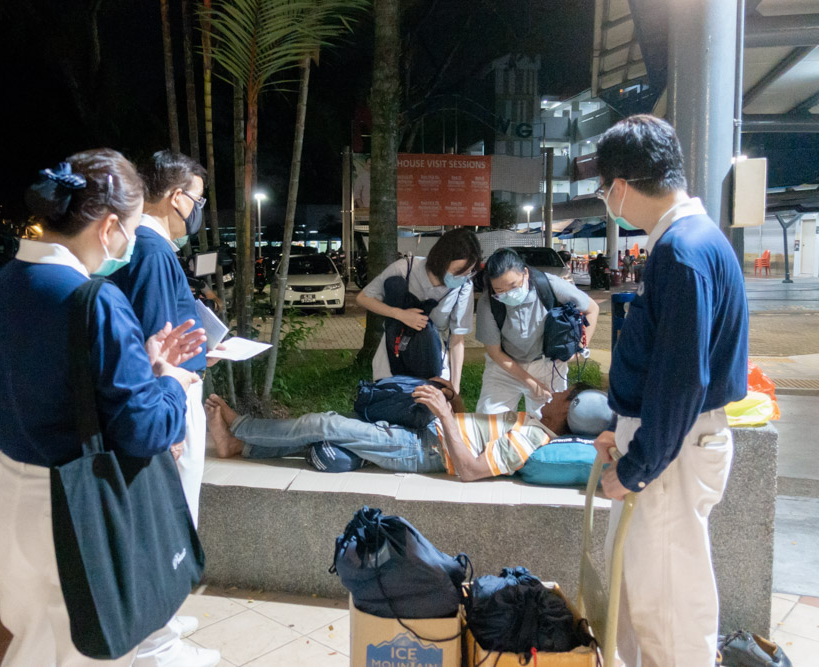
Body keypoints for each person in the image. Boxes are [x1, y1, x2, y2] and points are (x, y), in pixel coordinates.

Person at [0, 149, 209, 666]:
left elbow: (60, 385)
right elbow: (145, 428)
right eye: (129, 228)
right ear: (108, 228)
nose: (130, 242)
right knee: (80, 651)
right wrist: (169, 380)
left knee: (38, 642)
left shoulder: (4, 285)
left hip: (11, 490)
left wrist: (143, 364)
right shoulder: (93, 300)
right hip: (72, 508)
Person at [593, 114, 748, 667]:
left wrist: (638, 464)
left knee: (668, 608)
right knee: (646, 593)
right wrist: (623, 427)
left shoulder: (681, 253)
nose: (606, 200)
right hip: (672, 440)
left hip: (672, 449)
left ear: (620, 187)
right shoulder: (696, 240)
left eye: (603, 188)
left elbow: (683, 378)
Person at [107, 150, 221, 667]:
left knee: (176, 515)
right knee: (170, 519)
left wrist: (203, 346)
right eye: (197, 199)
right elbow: (155, 342)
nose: (197, 209)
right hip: (170, 401)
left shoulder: (148, 248)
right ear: (177, 197)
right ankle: (157, 644)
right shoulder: (153, 251)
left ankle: (166, 618)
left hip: (173, 394)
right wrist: (166, 420)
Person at [205, 383, 606, 482]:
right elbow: (475, 434)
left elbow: (469, 470)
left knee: (324, 423)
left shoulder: (535, 438)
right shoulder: (533, 423)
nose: (555, 391)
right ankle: (239, 445)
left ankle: (239, 427)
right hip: (425, 432)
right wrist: (453, 399)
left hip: (420, 448)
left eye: (565, 394)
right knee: (327, 437)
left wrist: (445, 414)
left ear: (570, 411)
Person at [475, 248, 599, 416]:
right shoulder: (488, 302)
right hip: (505, 367)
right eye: (500, 290)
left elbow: (592, 308)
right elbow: (495, 353)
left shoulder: (549, 284)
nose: (509, 294)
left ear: (525, 273)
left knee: (550, 422)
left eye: (514, 286)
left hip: (548, 365)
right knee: (489, 420)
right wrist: (529, 382)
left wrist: (579, 349)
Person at [356, 228, 482, 392]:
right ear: (441, 260)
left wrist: (455, 387)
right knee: (394, 406)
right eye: (458, 272)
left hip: (432, 357)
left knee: (428, 411)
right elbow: (363, 298)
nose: (463, 277)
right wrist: (400, 314)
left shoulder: (464, 287)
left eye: (469, 272)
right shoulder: (405, 268)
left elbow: (457, 339)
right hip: (394, 352)